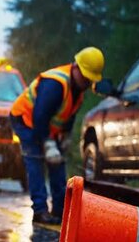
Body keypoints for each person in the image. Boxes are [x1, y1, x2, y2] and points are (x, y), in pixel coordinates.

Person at [10, 47, 105, 224]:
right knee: (36, 159)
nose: (86, 82)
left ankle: (60, 210)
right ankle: (40, 210)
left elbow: (68, 116)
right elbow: (40, 115)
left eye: (89, 79)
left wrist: (65, 138)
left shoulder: (78, 91)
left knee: (57, 161)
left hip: (46, 127)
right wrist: (47, 143)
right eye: (85, 77)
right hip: (25, 119)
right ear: (75, 67)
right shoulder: (55, 84)